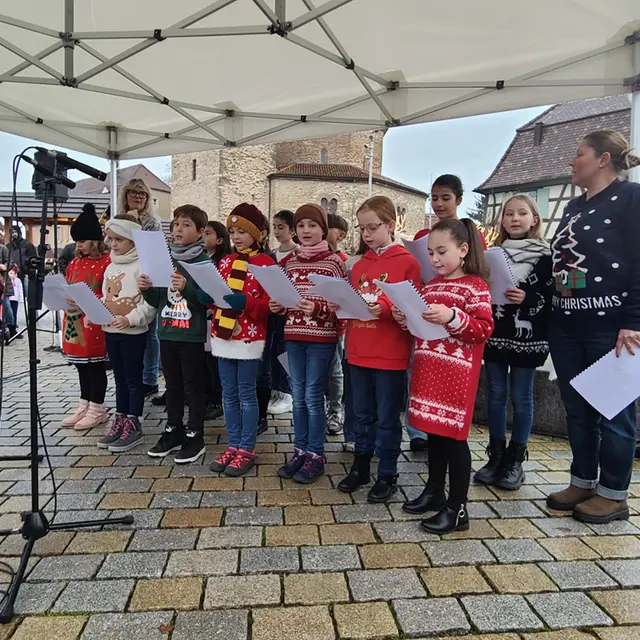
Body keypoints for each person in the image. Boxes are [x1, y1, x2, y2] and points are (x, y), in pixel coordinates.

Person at [547, 130, 640, 524]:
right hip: (567, 325)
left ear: (603, 159)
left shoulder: (632, 198)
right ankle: (583, 481)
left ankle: (613, 494)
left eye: (579, 154)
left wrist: (633, 321)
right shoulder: (572, 207)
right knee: (577, 411)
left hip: (611, 327)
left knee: (613, 412)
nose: (571, 161)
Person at [396, 218, 493, 533]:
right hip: (429, 369)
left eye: (441, 252)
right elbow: (421, 326)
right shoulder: (431, 286)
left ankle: (457, 508)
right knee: (434, 434)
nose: (435, 259)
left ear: (463, 250)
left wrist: (452, 315)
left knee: (454, 438)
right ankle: (434, 490)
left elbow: (483, 329)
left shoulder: (475, 286)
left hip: (457, 374)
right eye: (430, 253)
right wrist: (407, 317)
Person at [336, 196, 421, 502]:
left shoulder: (407, 262)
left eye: (372, 227)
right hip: (359, 348)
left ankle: (387, 473)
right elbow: (355, 297)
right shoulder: (359, 264)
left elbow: (412, 306)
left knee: (386, 417)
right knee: (361, 413)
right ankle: (360, 466)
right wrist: (340, 303)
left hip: (389, 353)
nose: (367, 234)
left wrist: (386, 307)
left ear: (391, 225)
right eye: (362, 229)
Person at [474, 195, 553, 490]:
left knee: (521, 397)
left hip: (529, 338)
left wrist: (528, 298)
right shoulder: (492, 255)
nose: (515, 218)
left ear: (535, 219)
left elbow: (555, 294)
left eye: (522, 213)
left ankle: (515, 461)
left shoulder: (547, 256)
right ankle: (495, 456)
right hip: (496, 332)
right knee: (495, 394)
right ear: (502, 220)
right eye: (509, 214)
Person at [271, 203, 348, 484]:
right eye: (301, 225)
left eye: (312, 225)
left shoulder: (334, 262)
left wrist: (317, 309)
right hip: (293, 335)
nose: (306, 230)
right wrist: (278, 305)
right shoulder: (289, 262)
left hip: (321, 339)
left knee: (313, 395)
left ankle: (316, 453)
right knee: (298, 393)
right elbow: (282, 296)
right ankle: (300, 450)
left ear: (323, 230)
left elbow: (342, 306)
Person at [206, 204, 274, 476]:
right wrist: (208, 299)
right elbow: (219, 294)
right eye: (232, 231)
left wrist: (247, 303)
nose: (236, 236)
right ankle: (233, 444)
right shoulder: (225, 261)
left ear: (258, 233)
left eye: (242, 231)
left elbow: (271, 305)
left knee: (246, 393)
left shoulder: (265, 264)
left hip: (248, 337)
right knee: (228, 393)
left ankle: (247, 447)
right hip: (222, 334)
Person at [139, 204, 210, 464]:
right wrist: (146, 288)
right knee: (173, 385)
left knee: (193, 385)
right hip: (167, 332)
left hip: (191, 335)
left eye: (186, 225)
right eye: (176, 224)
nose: (179, 229)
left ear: (200, 232)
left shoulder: (203, 262)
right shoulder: (165, 259)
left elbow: (207, 300)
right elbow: (159, 300)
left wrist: (187, 288)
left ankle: (195, 433)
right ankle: (173, 429)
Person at [93, 213, 156, 451]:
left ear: (132, 239)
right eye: (110, 239)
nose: (113, 244)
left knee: (132, 379)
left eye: (119, 239)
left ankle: (134, 421)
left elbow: (150, 304)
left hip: (132, 333)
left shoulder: (142, 266)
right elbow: (107, 296)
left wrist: (130, 319)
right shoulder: (111, 266)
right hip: (111, 330)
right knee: (119, 377)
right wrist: (94, 312)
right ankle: (120, 417)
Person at [60, 205, 111, 429]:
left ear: (95, 241)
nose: (78, 245)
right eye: (77, 241)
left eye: (82, 241)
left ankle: (98, 407)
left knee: (95, 366)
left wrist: (90, 298)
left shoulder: (107, 263)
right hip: (74, 320)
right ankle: (85, 403)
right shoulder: (75, 262)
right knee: (81, 366)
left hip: (93, 320)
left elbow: (109, 292)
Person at [117, 178, 162, 397]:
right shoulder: (116, 219)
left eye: (142, 194)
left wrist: (134, 223)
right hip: (123, 279)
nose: (138, 197)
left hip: (145, 278)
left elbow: (148, 249)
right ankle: (131, 376)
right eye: (133, 193)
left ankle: (150, 378)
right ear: (125, 196)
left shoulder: (152, 222)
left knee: (150, 331)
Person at [267, 209, 297, 415]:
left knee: (285, 351)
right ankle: (275, 389)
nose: (277, 232)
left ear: (292, 230)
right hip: (273, 310)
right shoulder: (272, 255)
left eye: (281, 227)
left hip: (290, 312)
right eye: (275, 227)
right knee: (272, 349)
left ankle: (287, 392)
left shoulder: (297, 255)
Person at [202, 220, 232, 419]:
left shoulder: (223, 262)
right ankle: (207, 397)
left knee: (214, 363)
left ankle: (216, 400)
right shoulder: (202, 259)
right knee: (204, 361)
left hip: (216, 316)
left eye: (208, 233)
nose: (203, 237)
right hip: (202, 315)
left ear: (220, 240)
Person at [325, 213, 350, 435]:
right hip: (313, 324)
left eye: (328, 227)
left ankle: (335, 411)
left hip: (336, 325)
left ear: (340, 235)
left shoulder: (345, 261)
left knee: (335, 370)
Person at [8, 266, 23, 334]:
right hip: (9, 298)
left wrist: (21, 298)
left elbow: (20, 290)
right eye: (11, 273)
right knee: (9, 313)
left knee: (14, 313)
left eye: (14, 273)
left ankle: (14, 324)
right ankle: (9, 326)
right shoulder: (7, 280)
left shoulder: (18, 280)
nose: (12, 275)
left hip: (15, 299)